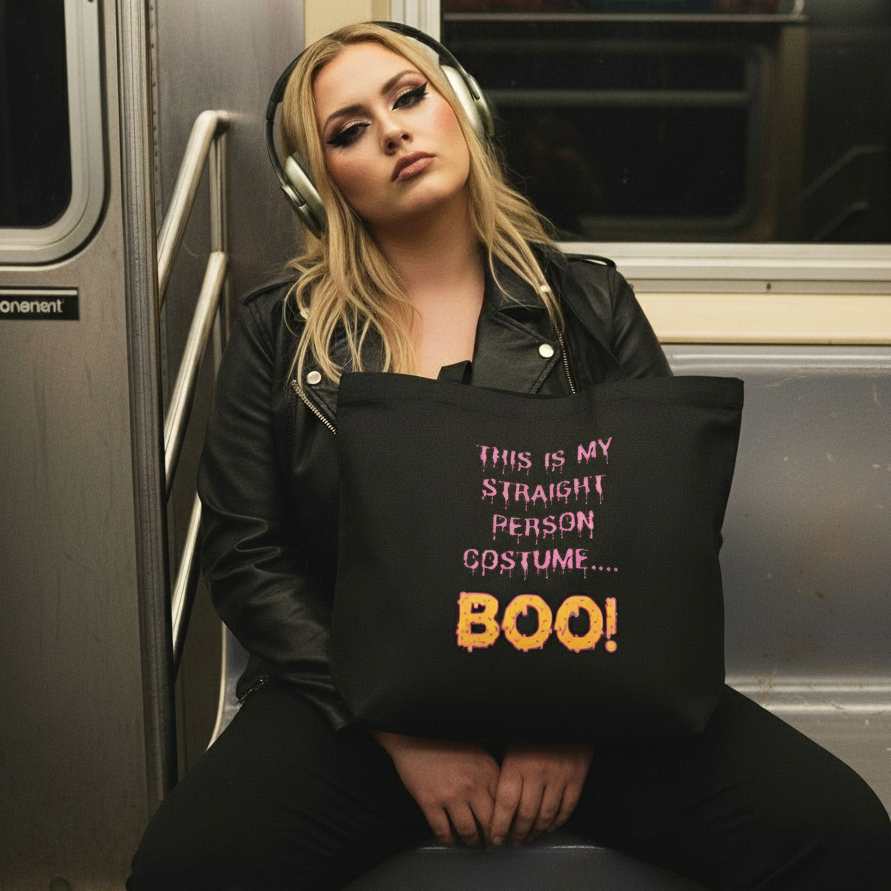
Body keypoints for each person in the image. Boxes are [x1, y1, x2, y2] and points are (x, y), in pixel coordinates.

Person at [128, 22, 891, 891]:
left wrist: (571, 726)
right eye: (347, 130)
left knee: (844, 836)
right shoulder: (279, 329)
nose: (391, 131)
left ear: (462, 107)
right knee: (181, 869)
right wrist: (404, 737)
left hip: (583, 685)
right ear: (317, 185)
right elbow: (247, 554)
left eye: (408, 95)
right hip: (356, 703)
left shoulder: (589, 301)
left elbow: (663, 527)